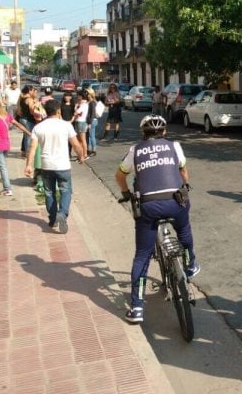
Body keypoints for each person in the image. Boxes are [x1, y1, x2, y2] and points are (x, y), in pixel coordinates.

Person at [114, 115, 199, 324]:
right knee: (184, 231)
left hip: (148, 206)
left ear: (143, 133)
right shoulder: (175, 146)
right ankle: (190, 265)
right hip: (175, 202)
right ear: (164, 132)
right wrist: (185, 186)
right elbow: (183, 171)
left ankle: (136, 308)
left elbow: (120, 175)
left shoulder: (135, 150)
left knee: (142, 254)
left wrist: (126, 194)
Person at [24, 99, 85, 234]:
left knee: (49, 192)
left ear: (46, 112)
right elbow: (75, 145)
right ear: (58, 111)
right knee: (66, 190)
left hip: (46, 166)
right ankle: (62, 214)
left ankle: (52, 219)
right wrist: (81, 156)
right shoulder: (66, 126)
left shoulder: (38, 127)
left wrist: (29, 165)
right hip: (63, 165)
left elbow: (32, 148)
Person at [0, 99, 30, 196]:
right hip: (6, 145)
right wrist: (29, 133)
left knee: (2, 167)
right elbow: (18, 124)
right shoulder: (7, 116)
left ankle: (7, 188)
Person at [73, 90, 89, 160]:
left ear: (81, 96)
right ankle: (81, 154)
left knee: (83, 140)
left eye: (79, 95)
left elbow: (76, 112)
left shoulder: (84, 104)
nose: (77, 97)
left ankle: (85, 154)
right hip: (78, 122)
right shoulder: (79, 103)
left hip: (81, 122)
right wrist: (76, 105)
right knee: (79, 140)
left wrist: (76, 106)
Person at [86, 88, 99, 157]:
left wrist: (90, 123)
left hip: (92, 121)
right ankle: (90, 150)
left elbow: (93, 114)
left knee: (91, 136)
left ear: (90, 94)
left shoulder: (92, 103)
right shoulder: (91, 102)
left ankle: (93, 150)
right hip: (92, 120)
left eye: (87, 93)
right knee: (90, 136)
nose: (86, 94)